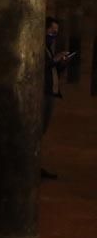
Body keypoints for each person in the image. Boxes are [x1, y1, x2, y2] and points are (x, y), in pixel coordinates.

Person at [42, 16, 71, 180]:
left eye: (56, 33)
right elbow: (40, 66)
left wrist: (61, 63)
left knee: (42, 130)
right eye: (52, 31)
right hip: (43, 93)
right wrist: (54, 60)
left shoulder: (49, 48)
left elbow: (52, 70)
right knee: (38, 129)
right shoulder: (40, 47)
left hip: (50, 92)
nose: (54, 35)